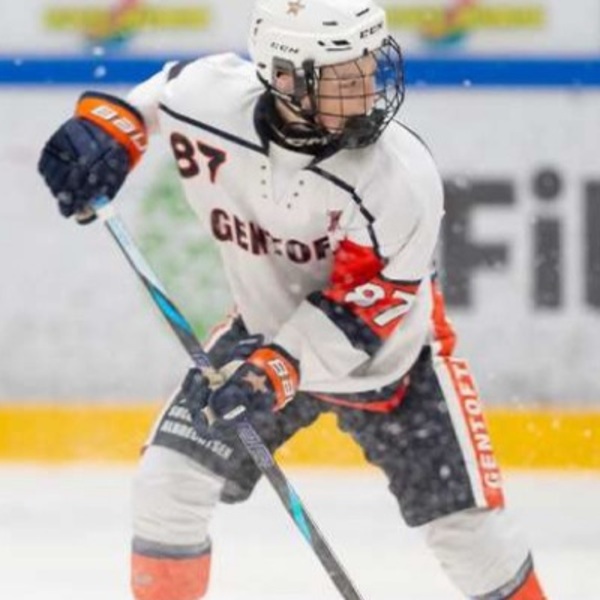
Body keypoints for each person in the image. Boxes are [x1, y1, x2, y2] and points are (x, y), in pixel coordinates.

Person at [38, 0, 547, 598]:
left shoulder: (399, 176)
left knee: (473, 540)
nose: (367, 92)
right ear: (283, 77)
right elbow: (159, 96)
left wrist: (274, 370)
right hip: (260, 336)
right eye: (342, 78)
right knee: (168, 485)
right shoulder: (211, 99)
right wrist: (108, 132)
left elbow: (362, 313)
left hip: (397, 363)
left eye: (368, 67)